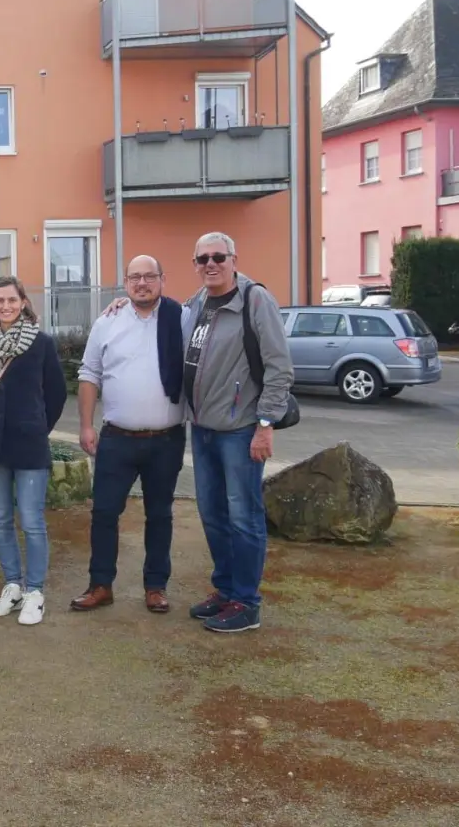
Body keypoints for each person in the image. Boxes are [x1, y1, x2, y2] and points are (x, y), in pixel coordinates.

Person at [177, 232, 293, 633]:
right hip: (202, 429)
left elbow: (280, 367)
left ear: (233, 259)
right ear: (195, 264)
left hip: (240, 430)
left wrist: (266, 425)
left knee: (243, 516)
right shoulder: (196, 304)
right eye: (203, 258)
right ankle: (226, 590)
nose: (211, 264)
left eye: (218, 257)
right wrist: (122, 305)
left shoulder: (255, 300)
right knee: (212, 514)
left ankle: (246, 602)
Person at [70, 255, 187, 616]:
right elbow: (89, 373)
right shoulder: (108, 321)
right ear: (125, 283)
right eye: (135, 277)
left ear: (162, 279)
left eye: (149, 276)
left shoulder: (181, 318)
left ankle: (156, 587)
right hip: (117, 439)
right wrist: (86, 425)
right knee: (105, 512)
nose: (142, 283)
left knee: (160, 514)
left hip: (166, 439)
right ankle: (100, 585)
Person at [0, 276, 66, 626]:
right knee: (1, 518)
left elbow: (56, 393)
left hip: (29, 444)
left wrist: (37, 424)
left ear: (23, 302)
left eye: (11, 300)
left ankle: (35, 591)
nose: (5, 306)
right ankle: (12, 586)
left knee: (32, 521)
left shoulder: (40, 343)